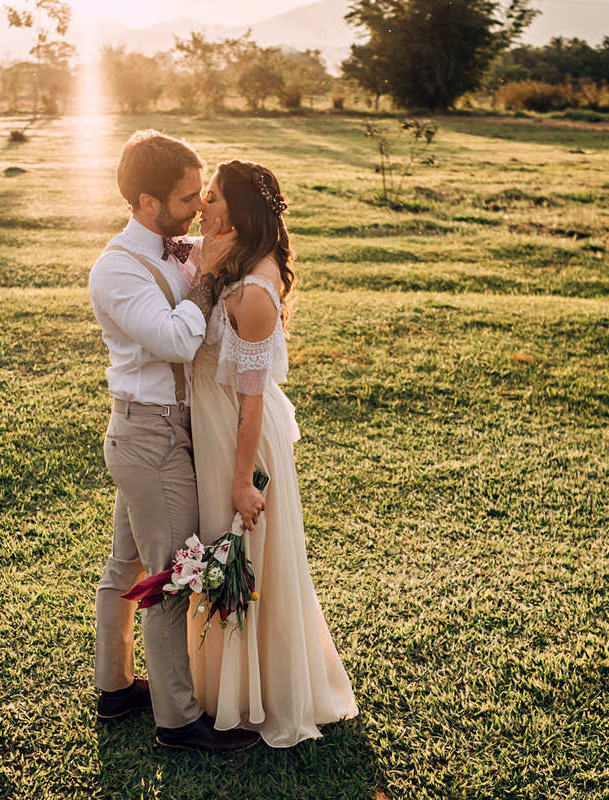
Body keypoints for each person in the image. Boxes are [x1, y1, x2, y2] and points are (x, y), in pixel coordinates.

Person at [87, 130, 259, 752]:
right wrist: (206, 277)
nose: (196, 208)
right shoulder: (115, 270)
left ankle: (115, 690)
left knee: (124, 565)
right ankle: (179, 721)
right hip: (149, 436)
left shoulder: (176, 248)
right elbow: (177, 340)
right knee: (165, 578)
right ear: (145, 202)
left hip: (157, 433)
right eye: (187, 198)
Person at [186, 160, 358, 748]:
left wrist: (242, 482)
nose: (200, 207)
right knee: (217, 547)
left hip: (239, 437)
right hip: (211, 424)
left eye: (209, 197)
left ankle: (252, 694)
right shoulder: (228, 257)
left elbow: (252, 403)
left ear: (236, 209)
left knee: (240, 552)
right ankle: (214, 684)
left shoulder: (255, 290)